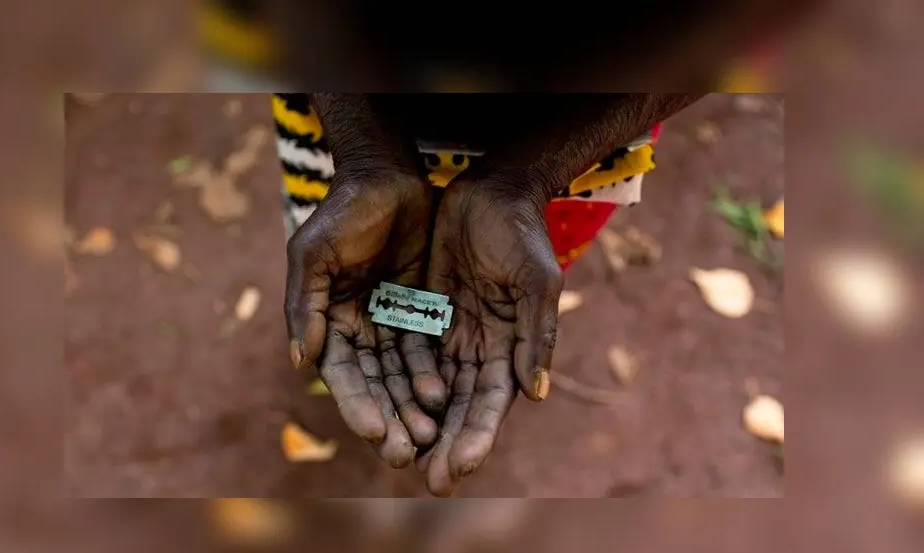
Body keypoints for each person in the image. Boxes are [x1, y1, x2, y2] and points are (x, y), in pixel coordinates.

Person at [272, 94, 703, 497]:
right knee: (333, 244)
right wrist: (363, 149)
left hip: (575, 158)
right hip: (341, 132)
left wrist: (527, 178)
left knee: (523, 268)